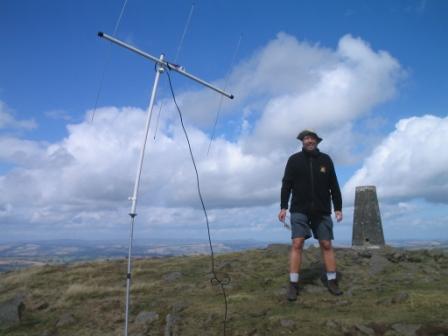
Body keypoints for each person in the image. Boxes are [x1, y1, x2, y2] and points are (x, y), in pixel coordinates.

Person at [278, 129, 343, 301]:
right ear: (302, 141)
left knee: (326, 244)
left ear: (316, 141)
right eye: (306, 138)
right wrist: (283, 207)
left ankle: (332, 281)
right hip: (299, 209)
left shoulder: (325, 160)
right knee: (297, 243)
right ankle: (293, 284)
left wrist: (338, 208)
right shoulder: (294, 160)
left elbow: (334, 185)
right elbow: (286, 185)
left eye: (312, 138)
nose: (309, 141)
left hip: (322, 210)